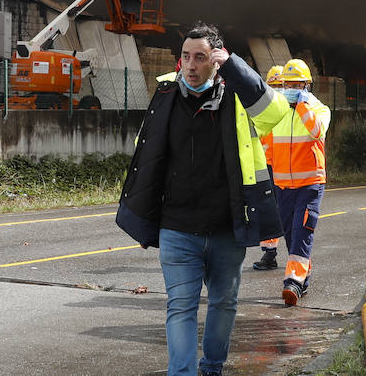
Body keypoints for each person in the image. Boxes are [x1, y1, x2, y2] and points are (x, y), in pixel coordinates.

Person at [116, 22, 292, 376]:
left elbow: (275, 113)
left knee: (223, 303)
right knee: (180, 305)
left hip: (227, 229)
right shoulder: (166, 93)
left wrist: (235, 66)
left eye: (201, 57)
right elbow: (145, 152)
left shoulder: (238, 97)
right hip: (177, 229)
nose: (191, 65)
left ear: (216, 62)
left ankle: (212, 366)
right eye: (186, 56)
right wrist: (145, 214)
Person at [261, 58, 331, 306]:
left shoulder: (319, 108)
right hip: (282, 183)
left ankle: (292, 281)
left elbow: (317, 130)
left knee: (302, 230)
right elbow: (263, 141)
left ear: (306, 85)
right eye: (286, 83)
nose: (289, 88)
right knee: (290, 232)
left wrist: (302, 106)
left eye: (295, 84)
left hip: (310, 182)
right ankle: (303, 277)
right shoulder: (278, 111)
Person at [251, 64, 285, 272]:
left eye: (280, 85)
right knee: (269, 210)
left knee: (284, 212)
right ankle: (270, 253)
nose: (277, 89)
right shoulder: (264, 109)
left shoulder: (288, 109)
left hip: (285, 168)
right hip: (268, 167)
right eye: (273, 85)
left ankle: (294, 258)